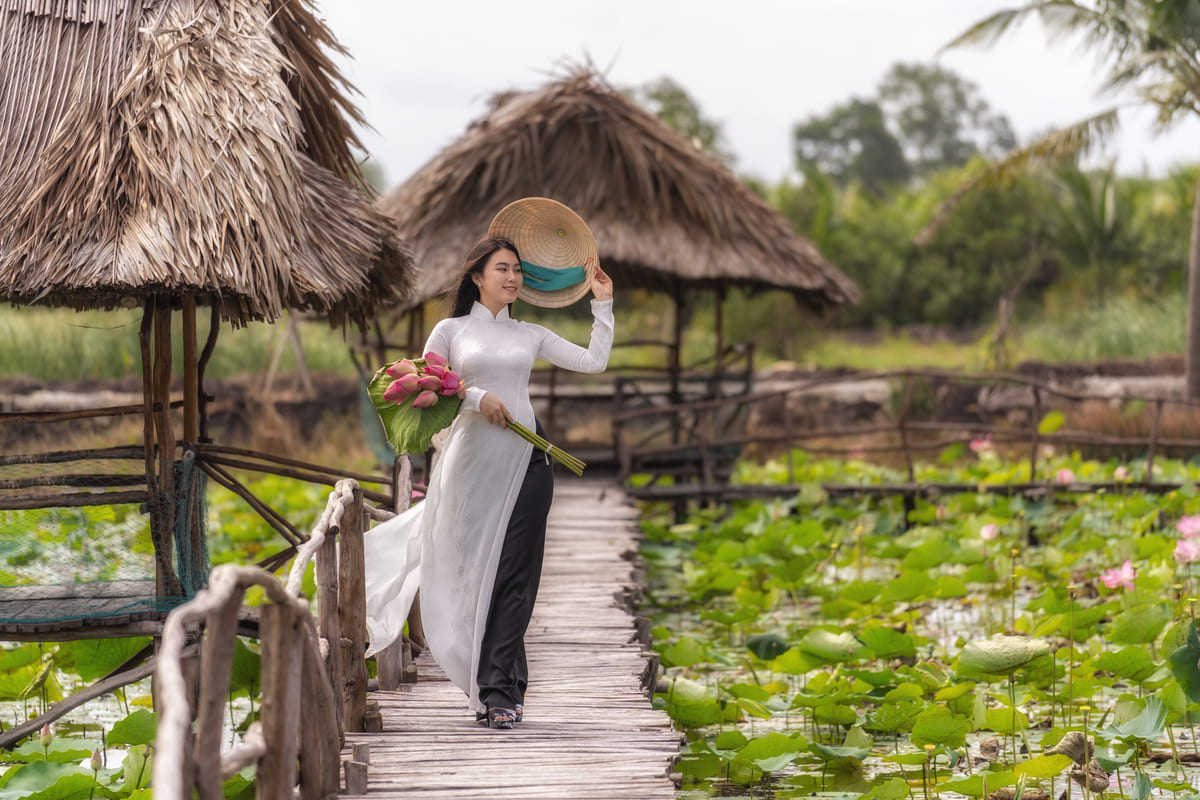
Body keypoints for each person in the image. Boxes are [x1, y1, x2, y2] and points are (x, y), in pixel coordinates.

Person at [363, 235, 614, 729]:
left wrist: (601, 305)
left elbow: (593, 361)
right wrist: (477, 398)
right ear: (477, 276)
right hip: (471, 466)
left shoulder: (530, 333)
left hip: (529, 461)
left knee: (516, 577)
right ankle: (500, 679)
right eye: (502, 268)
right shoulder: (451, 330)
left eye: (517, 270)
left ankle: (499, 692)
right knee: (473, 572)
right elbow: (426, 385)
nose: (512, 277)